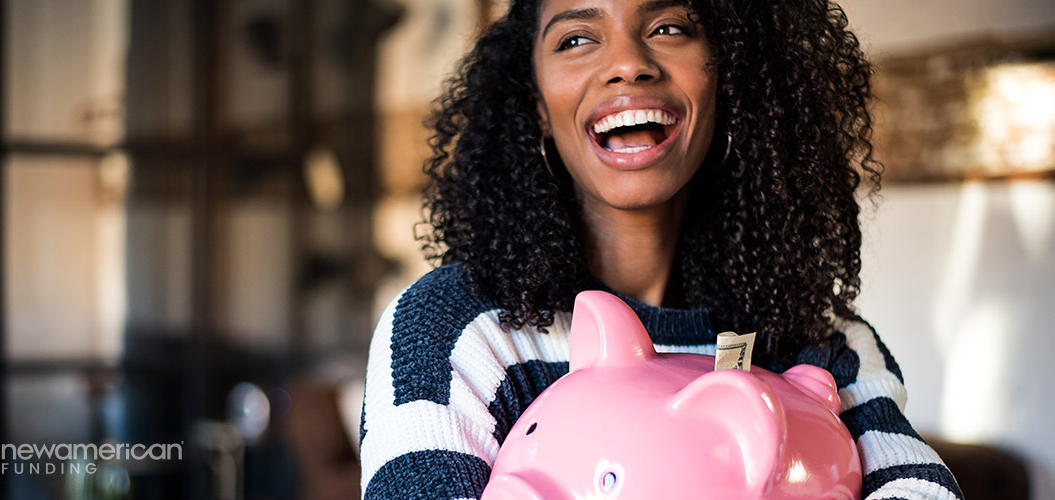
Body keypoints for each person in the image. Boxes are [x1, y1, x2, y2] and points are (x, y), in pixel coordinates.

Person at [359, 0, 964, 498]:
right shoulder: (458, 331)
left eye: (668, 28)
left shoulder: (821, 342)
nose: (628, 63)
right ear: (539, 109)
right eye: (575, 39)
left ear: (728, 78)